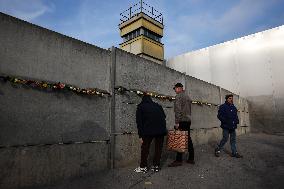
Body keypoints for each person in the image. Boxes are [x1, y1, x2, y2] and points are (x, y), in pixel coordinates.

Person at [134, 95, 167, 173]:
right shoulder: (158, 106)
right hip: (161, 130)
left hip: (148, 131)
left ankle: (143, 167)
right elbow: (164, 116)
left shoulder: (141, 106)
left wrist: (140, 136)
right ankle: (156, 166)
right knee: (158, 149)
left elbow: (139, 122)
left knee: (145, 149)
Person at [168, 83, 195, 167]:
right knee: (188, 139)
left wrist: (177, 122)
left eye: (175, 89)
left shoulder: (178, 96)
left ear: (179, 88)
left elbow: (178, 110)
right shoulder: (187, 96)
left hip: (182, 120)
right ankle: (191, 158)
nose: (175, 90)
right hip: (188, 120)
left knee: (179, 138)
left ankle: (178, 160)